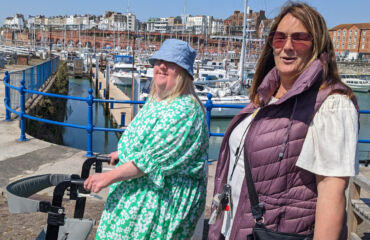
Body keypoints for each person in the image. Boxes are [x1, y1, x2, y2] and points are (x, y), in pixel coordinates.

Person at [208, 2, 359, 240]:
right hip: (234, 228)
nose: (287, 47)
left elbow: (332, 191)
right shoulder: (266, 95)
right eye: (280, 38)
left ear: (317, 45)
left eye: (299, 39)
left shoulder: (332, 104)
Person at [84, 39, 209, 239]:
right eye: (159, 60)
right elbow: (146, 140)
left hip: (160, 201)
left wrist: (107, 177)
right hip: (139, 189)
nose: (161, 66)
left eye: (170, 63)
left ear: (184, 72)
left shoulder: (186, 110)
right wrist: (122, 152)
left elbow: (152, 160)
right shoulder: (156, 101)